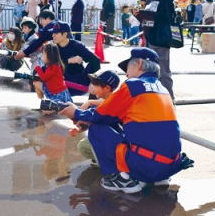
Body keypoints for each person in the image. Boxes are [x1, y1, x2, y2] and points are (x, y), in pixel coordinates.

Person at [59, 48, 193, 194]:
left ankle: (123, 179)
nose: (127, 74)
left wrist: (76, 112)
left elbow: (99, 116)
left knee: (97, 129)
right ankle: (157, 178)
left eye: (128, 67)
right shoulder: (163, 89)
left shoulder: (133, 85)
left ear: (139, 63)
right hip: (170, 166)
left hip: (148, 166)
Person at [135, 0, 176, 101]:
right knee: (149, 71)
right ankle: (155, 99)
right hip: (149, 39)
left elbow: (165, 18)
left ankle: (169, 100)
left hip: (160, 40)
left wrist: (146, 15)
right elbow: (148, 20)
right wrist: (139, 15)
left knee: (163, 72)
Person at [67, 70, 120, 167]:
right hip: (108, 141)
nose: (92, 88)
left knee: (96, 139)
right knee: (83, 146)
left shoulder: (115, 102)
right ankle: (105, 161)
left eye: (95, 85)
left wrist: (76, 111)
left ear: (107, 88)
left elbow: (97, 113)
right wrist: (78, 128)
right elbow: (90, 119)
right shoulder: (99, 101)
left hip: (117, 143)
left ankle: (115, 169)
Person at [51, 21, 101, 96]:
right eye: (53, 33)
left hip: (80, 81)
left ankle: (92, 102)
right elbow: (50, 65)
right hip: (62, 81)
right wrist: (69, 61)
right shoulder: (52, 47)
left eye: (56, 33)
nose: (53, 35)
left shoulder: (77, 46)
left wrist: (92, 82)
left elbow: (96, 60)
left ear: (65, 34)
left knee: (94, 63)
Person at [33, 42, 73, 110]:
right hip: (51, 91)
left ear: (50, 55)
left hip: (59, 95)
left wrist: (38, 68)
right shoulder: (49, 66)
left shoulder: (55, 67)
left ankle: (58, 107)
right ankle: (43, 102)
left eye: (44, 54)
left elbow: (44, 77)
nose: (42, 56)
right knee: (36, 83)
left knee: (46, 111)